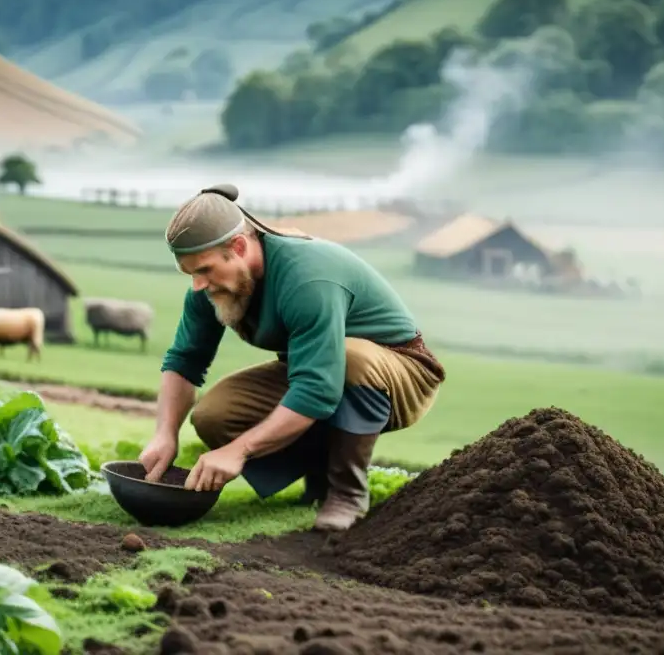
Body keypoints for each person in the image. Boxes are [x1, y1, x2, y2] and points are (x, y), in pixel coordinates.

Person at [138, 183, 446, 532]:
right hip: (317, 368)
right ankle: (318, 476)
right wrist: (165, 434)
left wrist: (238, 451)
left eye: (204, 270)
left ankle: (347, 492)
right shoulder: (212, 286)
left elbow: (316, 389)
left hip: (400, 372)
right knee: (214, 415)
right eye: (190, 273)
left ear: (238, 246)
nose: (197, 284)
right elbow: (184, 361)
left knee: (348, 356)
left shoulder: (307, 279)